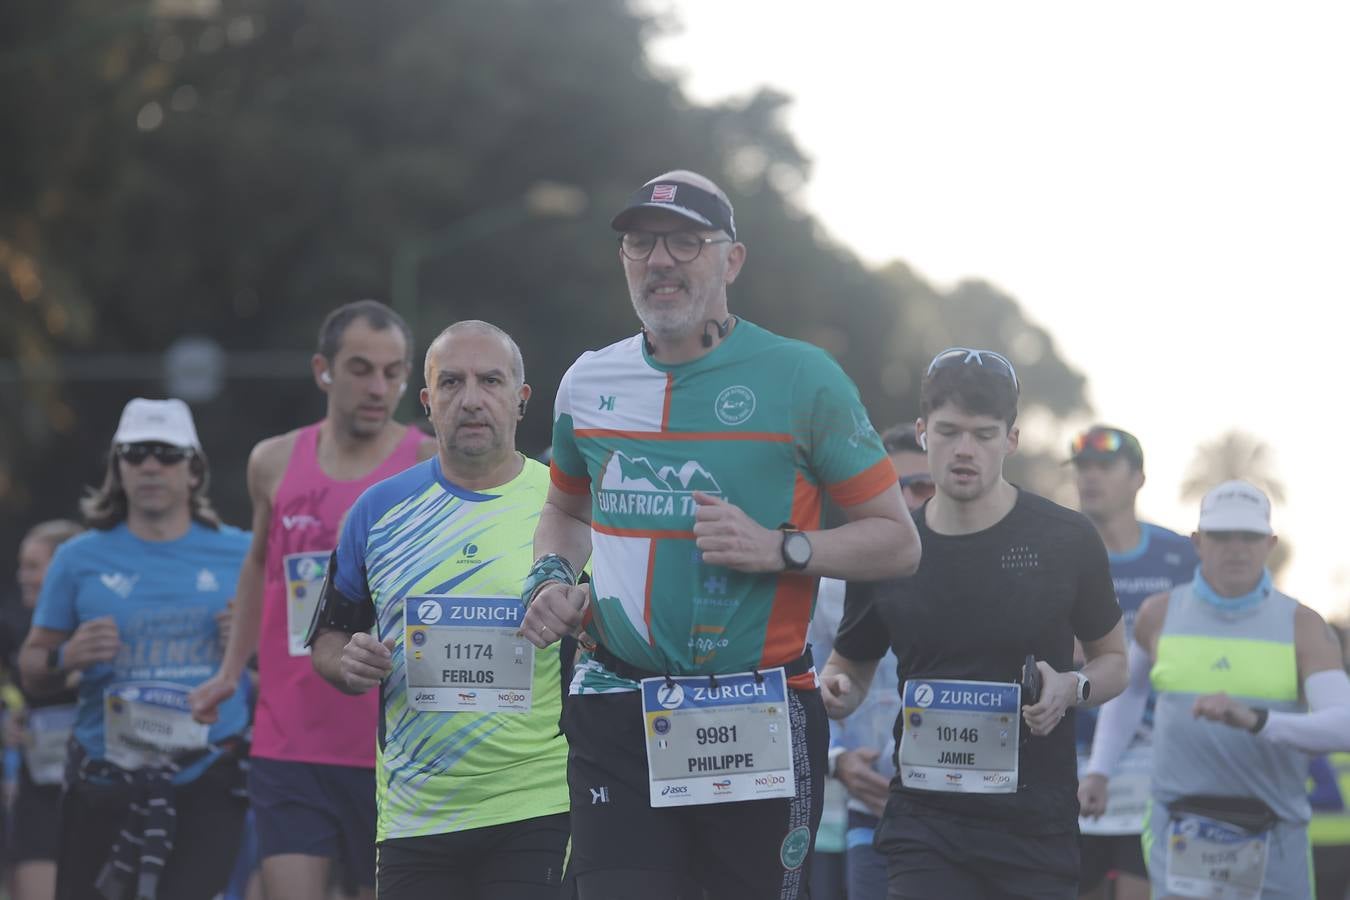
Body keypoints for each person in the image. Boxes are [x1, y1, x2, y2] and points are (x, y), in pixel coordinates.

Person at [521, 169, 921, 900]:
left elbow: (897, 541)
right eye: (641, 244)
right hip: (617, 700)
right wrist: (550, 577)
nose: (661, 261)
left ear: (731, 261)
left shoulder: (803, 378)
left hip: (757, 708)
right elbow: (567, 512)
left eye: (686, 242)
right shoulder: (587, 382)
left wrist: (783, 548)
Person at [824, 347, 1128, 900]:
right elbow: (850, 671)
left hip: (1035, 828)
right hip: (924, 823)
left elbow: (1115, 662)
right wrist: (836, 690)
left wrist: (1072, 686)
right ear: (922, 432)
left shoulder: (1066, 539)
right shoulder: (890, 548)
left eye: (984, 435)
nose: (965, 450)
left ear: (1011, 439)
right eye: (949, 431)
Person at [306, 321, 569, 899]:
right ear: (427, 402)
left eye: (490, 381)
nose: (470, 399)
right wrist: (347, 661)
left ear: (521, 400)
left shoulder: (565, 509)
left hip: (537, 801)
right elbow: (327, 634)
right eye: (451, 382)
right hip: (414, 814)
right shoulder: (377, 511)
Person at [189, 300, 433, 900]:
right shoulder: (271, 462)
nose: (379, 387)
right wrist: (229, 671)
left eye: (394, 371)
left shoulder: (428, 464)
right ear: (323, 370)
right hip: (288, 736)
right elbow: (257, 565)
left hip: (393, 742)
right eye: (361, 368)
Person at [19, 398, 252, 900]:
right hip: (105, 779)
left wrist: (248, 644)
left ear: (194, 471)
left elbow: (289, 657)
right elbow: (32, 666)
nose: (150, 465)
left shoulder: (241, 551)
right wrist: (69, 656)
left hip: (206, 772)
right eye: (135, 453)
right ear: (117, 468)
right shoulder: (78, 557)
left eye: (166, 454)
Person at [1093, 480, 1350, 900]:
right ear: (1197, 541)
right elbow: (1128, 694)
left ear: (1270, 542)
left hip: (1274, 836)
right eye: (1221, 535)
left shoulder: (1303, 626)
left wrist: (1257, 720)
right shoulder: (1158, 615)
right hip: (1177, 830)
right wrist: (1101, 771)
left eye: (1248, 536)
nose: (1236, 547)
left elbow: (1343, 728)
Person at [1070, 426, 1196, 900]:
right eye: (1082, 468)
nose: (1090, 478)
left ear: (1139, 478)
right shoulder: (1057, 553)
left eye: (1104, 467)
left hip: (1158, 764)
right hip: (1073, 760)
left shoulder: (1180, 556)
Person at [825, 423, 932, 900]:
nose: (909, 501)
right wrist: (836, 759)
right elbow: (800, 685)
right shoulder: (831, 581)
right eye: (893, 488)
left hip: (961, 819)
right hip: (865, 809)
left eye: (924, 486)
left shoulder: (980, 577)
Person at [1, 519, 82, 900]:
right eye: (22, 566)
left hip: (97, 787)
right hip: (39, 786)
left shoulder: (100, 621)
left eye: (33, 566)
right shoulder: (14, 624)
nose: (23, 576)